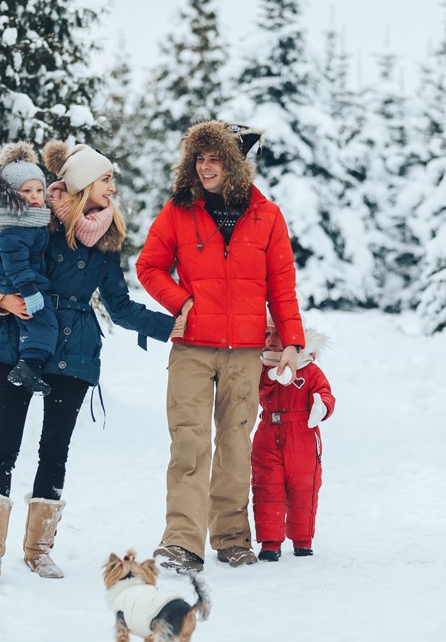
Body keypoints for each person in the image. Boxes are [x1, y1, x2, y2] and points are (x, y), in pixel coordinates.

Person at [0, 141, 174, 585]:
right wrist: (0, 300)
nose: (113, 188)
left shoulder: (104, 246)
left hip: (76, 352)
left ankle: (38, 549)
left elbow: (119, 307)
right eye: (106, 180)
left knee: (54, 452)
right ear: (83, 185)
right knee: (4, 446)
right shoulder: (36, 223)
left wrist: (174, 327)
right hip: (18, 341)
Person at [136, 120, 305, 571]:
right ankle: (181, 542)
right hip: (192, 347)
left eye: (215, 160)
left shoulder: (267, 216)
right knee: (189, 443)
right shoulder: (178, 211)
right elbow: (149, 266)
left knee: (235, 444)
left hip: (245, 351)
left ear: (234, 164)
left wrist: (292, 341)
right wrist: (182, 301)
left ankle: (231, 537)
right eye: (200, 159)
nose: (206, 168)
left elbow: (282, 286)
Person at [0, 141, 56, 396]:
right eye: (26, 191)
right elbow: (17, 264)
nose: (35, 196)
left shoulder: (16, 220)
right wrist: (30, 290)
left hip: (3, 276)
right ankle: (28, 365)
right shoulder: (17, 226)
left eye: (39, 190)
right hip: (17, 279)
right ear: (11, 196)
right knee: (42, 320)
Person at [252, 315, 335, 562]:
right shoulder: (260, 366)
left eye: (278, 334)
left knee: (304, 489)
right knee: (268, 487)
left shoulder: (309, 368)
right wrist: (268, 378)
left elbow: (325, 393)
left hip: (303, 435)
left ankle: (302, 540)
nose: (272, 340)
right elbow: (253, 390)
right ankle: (270, 543)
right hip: (268, 433)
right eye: (267, 334)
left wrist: (322, 408)